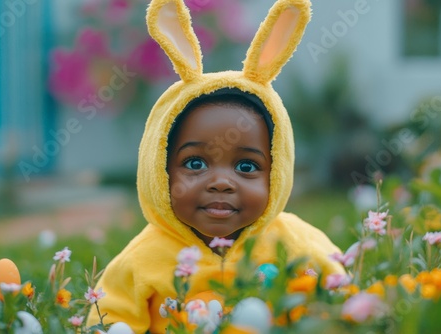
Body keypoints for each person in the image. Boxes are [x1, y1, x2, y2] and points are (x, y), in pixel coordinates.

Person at [86, 0, 344, 332]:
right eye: (195, 163)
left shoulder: (296, 244)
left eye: (247, 167)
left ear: (277, 172)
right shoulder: (142, 260)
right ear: (159, 169)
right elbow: (108, 317)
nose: (221, 182)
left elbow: (342, 293)